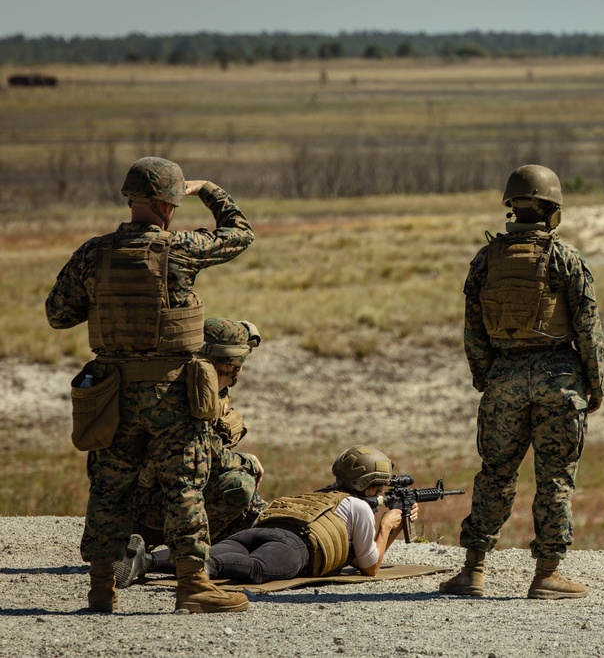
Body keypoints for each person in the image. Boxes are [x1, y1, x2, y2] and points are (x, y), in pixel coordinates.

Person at [45, 157, 255, 614]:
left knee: (108, 487)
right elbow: (240, 232)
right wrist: (210, 190)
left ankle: (102, 588)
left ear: (132, 199)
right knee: (183, 487)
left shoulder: (92, 253)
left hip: (110, 394)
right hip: (170, 394)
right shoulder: (180, 249)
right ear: (168, 206)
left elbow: (59, 314)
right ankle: (194, 586)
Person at [439, 164, 604, 600]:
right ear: (552, 211)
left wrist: (487, 377)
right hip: (559, 380)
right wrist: (595, 384)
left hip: (504, 379)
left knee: (494, 474)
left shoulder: (485, 259)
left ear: (511, 208)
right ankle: (547, 574)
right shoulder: (566, 259)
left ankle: (473, 571)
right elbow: (588, 329)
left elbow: (472, 329)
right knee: (554, 479)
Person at [114, 446, 416, 587]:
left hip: (259, 532)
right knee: (254, 570)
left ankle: (146, 560)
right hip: (293, 546)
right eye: (379, 485)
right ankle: (159, 565)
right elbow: (369, 567)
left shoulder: (322, 495)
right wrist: (388, 526)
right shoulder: (360, 508)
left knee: (208, 553)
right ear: (368, 485)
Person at [131, 317, 267, 552]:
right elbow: (207, 457)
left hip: (172, 492)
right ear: (230, 366)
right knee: (240, 484)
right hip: (151, 506)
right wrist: (248, 462)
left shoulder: (204, 385)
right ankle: (181, 551)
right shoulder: (187, 396)